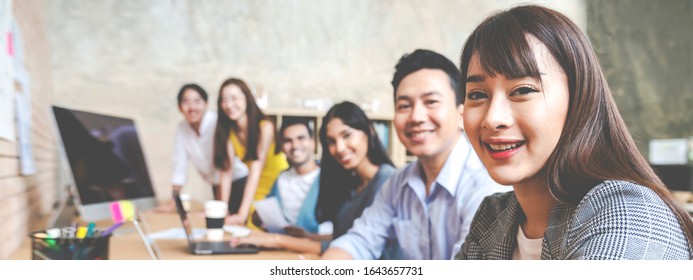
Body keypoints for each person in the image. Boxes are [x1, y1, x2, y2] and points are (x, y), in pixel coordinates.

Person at [455, 5, 693, 260]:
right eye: (477, 95)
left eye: (523, 90)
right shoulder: (492, 218)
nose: (492, 119)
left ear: (579, 96)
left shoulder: (629, 213)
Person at [321, 50, 509, 260]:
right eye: (404, 106)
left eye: (431, 102)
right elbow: (359, 241)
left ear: (461, 114)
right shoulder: (397, 184)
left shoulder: (488, 187)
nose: (416, 117)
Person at [235, 101, 396, 256]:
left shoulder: (387, 182)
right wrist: (308, 236)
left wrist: (277, 240)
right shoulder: (350, 183)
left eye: (347, 135)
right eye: (331, 141)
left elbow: (355, 248)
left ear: (370, 131)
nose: (339, 148)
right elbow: (342, 238)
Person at [159, 83, 248, 213]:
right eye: (186, 102)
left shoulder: (217, 122)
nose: (192, 107)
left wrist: (221, 204)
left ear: (206, 104)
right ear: (179, 107)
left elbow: (224, 169)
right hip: (216, 184)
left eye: (197, 101)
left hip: (237, 181)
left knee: (231, 223)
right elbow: (179, 164)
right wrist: (174, 200)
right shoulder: (182, 128)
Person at [213, 78, 289, 228]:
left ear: (247, 98)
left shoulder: (265, 126)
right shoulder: (229, 132)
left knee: (254, 224)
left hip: (278, 185)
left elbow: (255, 170)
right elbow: (226, 173)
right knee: (244, 227)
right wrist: (221, 210)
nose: (229, 105)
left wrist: (242, 214)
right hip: (257, 187)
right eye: (224, 100)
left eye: (234, 98)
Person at [255, 117, 325, 235]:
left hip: (318, 249)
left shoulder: (328, 178)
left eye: (301, 138)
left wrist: (308, 236)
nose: (295, 145)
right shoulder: (281, 179)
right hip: (282, 248)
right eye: (288, 140)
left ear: (313, 142)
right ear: (282, 147)